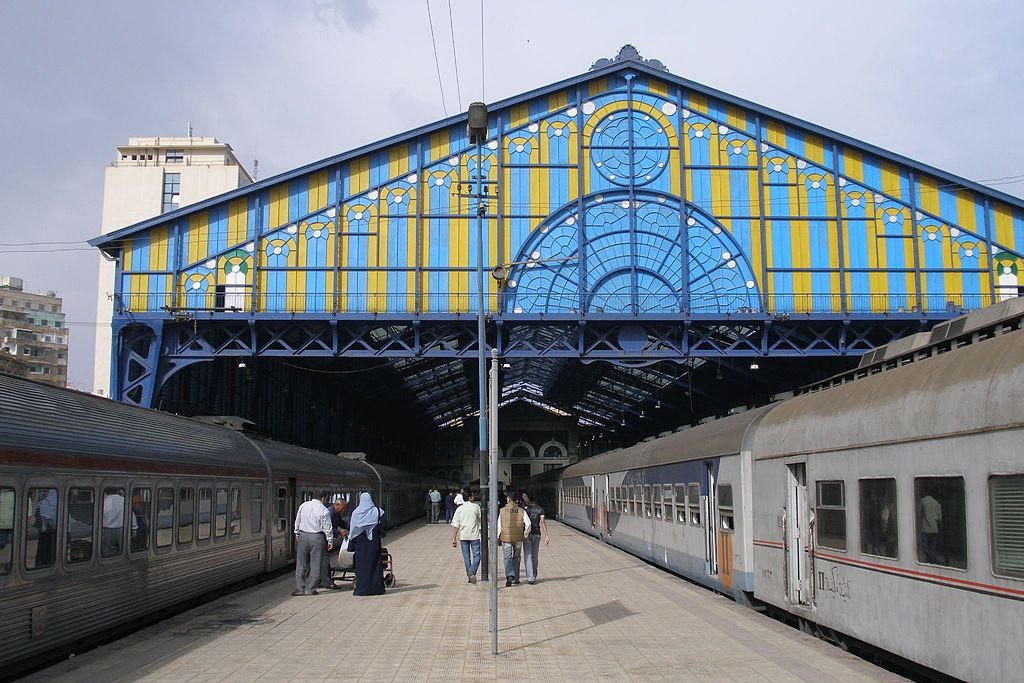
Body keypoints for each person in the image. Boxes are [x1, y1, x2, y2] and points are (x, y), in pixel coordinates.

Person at [292, 490, 333, 596]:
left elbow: (297, 521)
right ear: (323, 498)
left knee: (301, 563)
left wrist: (297, 534)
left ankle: (299, 588)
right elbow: (327, 527)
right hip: (317, 537)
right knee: (315, 564)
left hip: (303, 535)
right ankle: (311, 589)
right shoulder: (324, 510)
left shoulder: (303, 506)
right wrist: (330, 540)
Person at [349, 491, 387, 595]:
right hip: (374, 544)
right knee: (375, 565)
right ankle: (377, 589)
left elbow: (352, 532)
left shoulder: (356, 513)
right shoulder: (378, 512)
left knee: (362, 567)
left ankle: (362, 589)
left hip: (361, 547)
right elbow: (385, 524)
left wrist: (351, 546)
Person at [497, 491, 530, 586]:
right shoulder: (521, 511)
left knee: (507, 557)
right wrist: (525, 535)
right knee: (516, 557)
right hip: (519, 538)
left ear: (508, 499)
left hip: (506, 538)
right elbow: (528, 524)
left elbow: (499, 526)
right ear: (516, 500)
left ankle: (509, 575)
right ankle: (516, 578)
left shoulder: (502, 511)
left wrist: (498, 537)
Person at [450, 490, 482, 583]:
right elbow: (480, 520)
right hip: (474, 535)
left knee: (466, 557)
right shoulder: (476, 507)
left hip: (463, 536)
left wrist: (454, 538)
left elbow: (455, 525)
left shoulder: (459, 509)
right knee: (477, 556)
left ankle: (469, 575)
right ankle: (472, 571)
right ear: (470, 497)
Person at [319, 495, 348, 590]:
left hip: (327, 539)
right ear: (337, 505)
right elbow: (328, 529)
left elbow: (341, 523)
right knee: (325, 560)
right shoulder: (330, 513)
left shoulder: (336, 513)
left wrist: (351, 527)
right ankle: (327, 582)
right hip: (323, 539)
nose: (343, 510)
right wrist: (339, 532)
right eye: (342, 508)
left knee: (323, 560)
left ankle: (321, 580)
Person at [520, 491, 550, 585]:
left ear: (528, 499)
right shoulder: (540, 509)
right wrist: (546, 535)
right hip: (537, 534)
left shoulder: (525, 510)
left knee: (528, 555)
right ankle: (534, 574)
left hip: (527, 534)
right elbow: (543, 522)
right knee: (535, 555)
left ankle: (530, 577)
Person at [34, 489, 57, 567]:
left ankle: (40, 564)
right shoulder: (53, 495)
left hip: (45, 528)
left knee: (43, 550)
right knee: (49, 552)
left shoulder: (44, 500)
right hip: (50, 529)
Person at [918, 490, 942, 564]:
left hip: (925, 528)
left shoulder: (922, 501)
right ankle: (929, 561)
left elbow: (918, 511)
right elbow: (939, 518)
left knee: (924, 548)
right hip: (934, 529)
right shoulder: (937, 503)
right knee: (932, 548)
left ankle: (933, 559)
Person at [101, 490, 126, 557]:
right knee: (121, 552)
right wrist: (134, 528)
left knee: (108, 554)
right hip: (121, 529)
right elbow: (131, 515)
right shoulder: (123, 500)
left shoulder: (104, 501)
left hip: (107, 530)